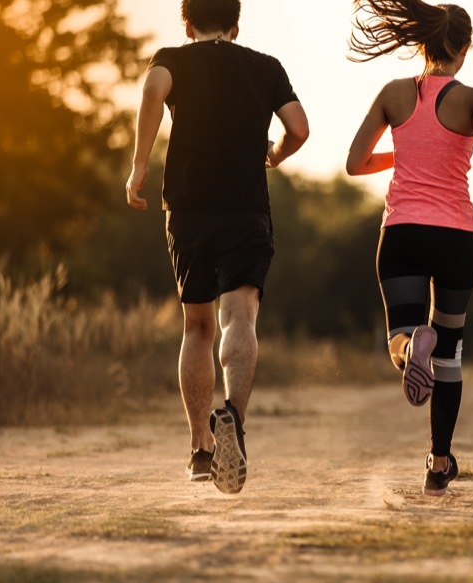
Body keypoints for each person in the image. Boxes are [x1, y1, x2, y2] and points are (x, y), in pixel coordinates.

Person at [126, 0, 309, 494]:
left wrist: (140, 163)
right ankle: (233, 419)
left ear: (187, 24)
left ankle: (201, 451)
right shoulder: (265, 67)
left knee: (199, 326)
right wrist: (275, 154)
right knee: (241, 317)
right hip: (245, 209)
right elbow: (300, 129)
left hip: (188, 210)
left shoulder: (173, 58)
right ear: (235, 24)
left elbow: (151, 89)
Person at [346, 0, 473, 497]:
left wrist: (404, 152)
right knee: (451, 354)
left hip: (402, 231)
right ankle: (439, 462)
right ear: (463, 50)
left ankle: (409, 347)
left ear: (422, 42)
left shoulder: (393, 94)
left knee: (397, 338)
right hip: (456, 238)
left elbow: (354, 163)